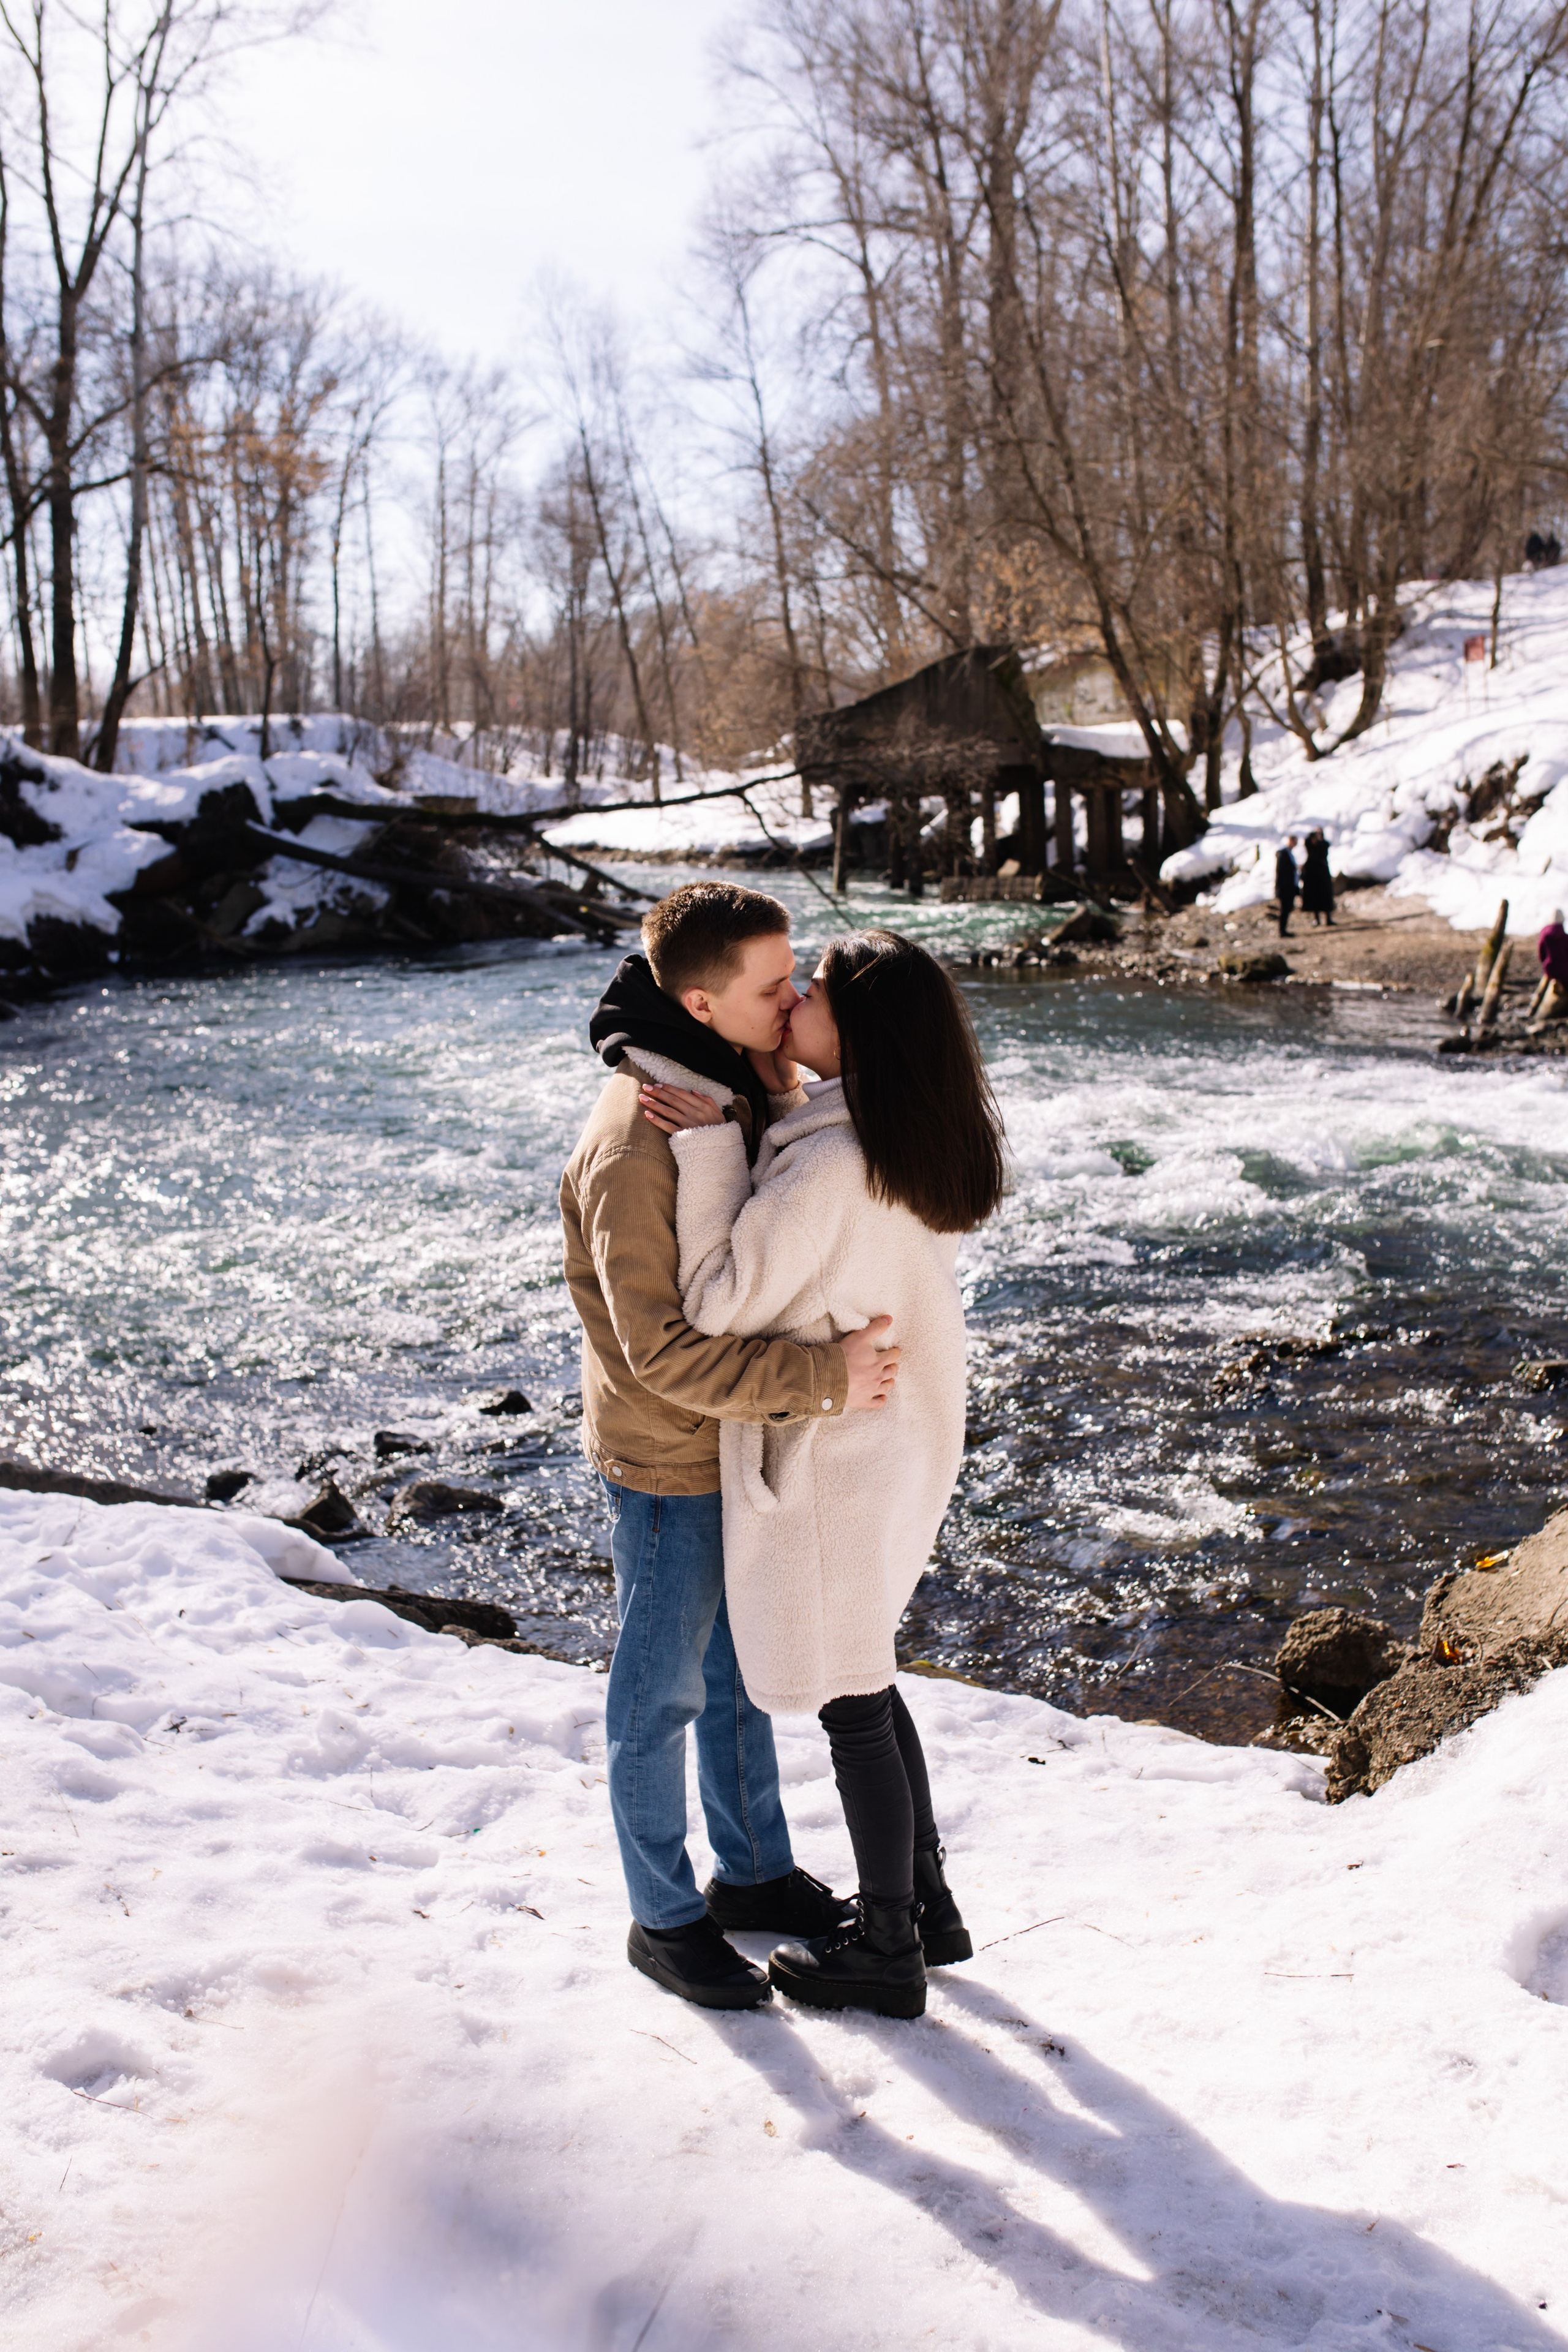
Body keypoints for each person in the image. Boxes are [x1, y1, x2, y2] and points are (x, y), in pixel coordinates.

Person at [639, 930, 1007, 2021]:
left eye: (814, 995)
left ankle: (889, 1949)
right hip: (890, 1448)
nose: (790, 1000)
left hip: (836, 1459)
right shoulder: (902, 1134)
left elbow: (716, 1301)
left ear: (856, 1033)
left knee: (851, 1696)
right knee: (871, 1673)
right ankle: (925, 1905)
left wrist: (710, 1148)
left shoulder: (834, 1163)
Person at [560, 882, 902, 2013]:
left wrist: (780, 1085)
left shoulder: (724, 1082)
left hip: (734, 1445)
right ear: (701, 1002)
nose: (796, 994)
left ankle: (751, 1870)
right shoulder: (635, 1144)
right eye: (773, 986)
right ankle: (664, 1921)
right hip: (669, 1457)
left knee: (738, 1671)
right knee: (656, 1696)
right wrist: (824, 1381)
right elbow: (659, 1352)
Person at [1300, 830, 1335, 926]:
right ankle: (1316, 918)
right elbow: (1307, 845)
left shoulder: (1323, 845)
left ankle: (1328, 918)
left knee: (1326, 896)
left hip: (1322, 875)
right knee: (1314, 897)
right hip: (1312, 876)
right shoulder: (1310, 846)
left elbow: (1325, 849)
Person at [1274, 836, 1299, 937]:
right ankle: (1282, 931)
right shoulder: (1284, 854)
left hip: (1289, 886)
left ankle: (1283, 930)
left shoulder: (1289, 854)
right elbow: (1281, 872)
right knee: (1284, 909)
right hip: (1285, 887)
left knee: (1287, 908)